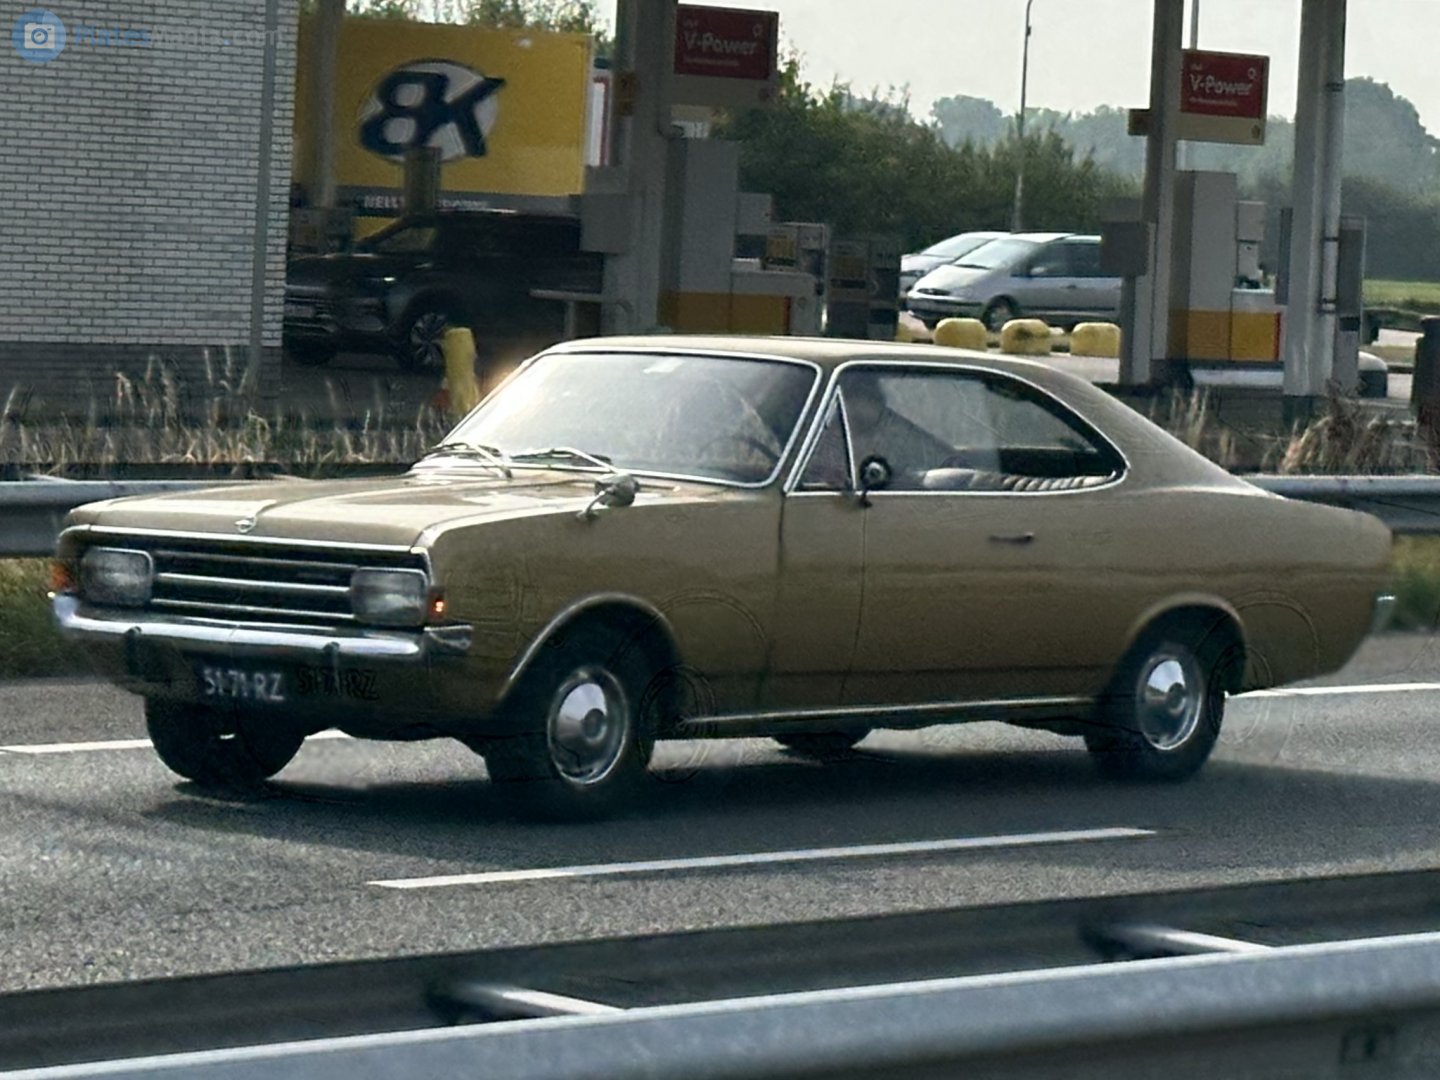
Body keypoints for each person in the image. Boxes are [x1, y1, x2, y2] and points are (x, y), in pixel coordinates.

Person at [839, 370, 957, 487]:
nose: (856, 410)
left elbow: (936, 472)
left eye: (868, 398)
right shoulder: (826, 440)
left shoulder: (901, 443)